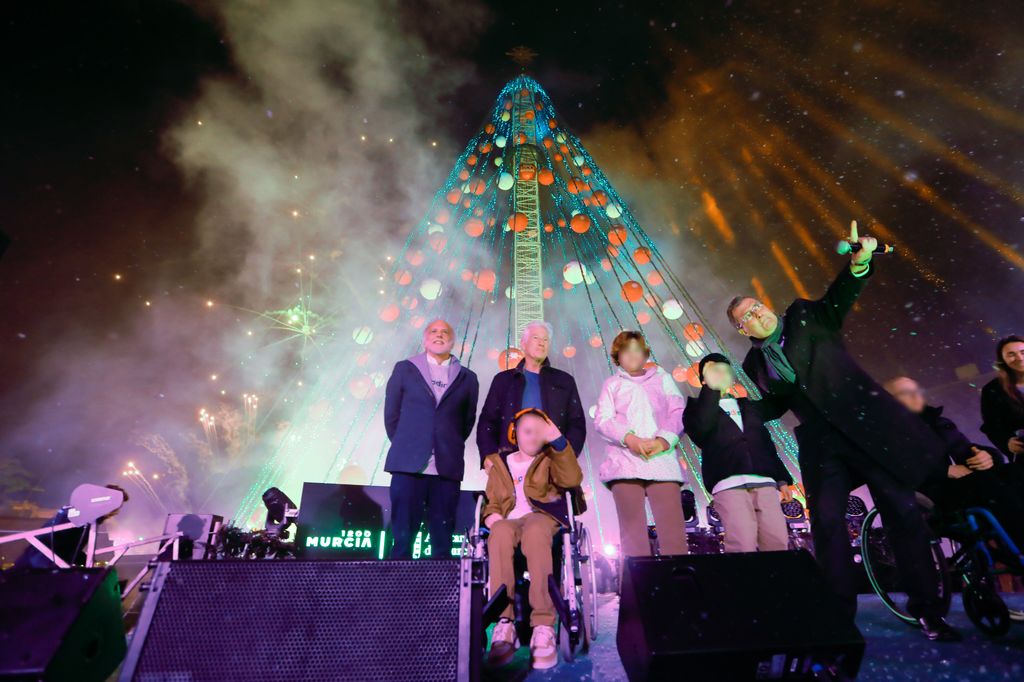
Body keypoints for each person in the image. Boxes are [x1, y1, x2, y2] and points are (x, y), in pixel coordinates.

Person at [729, 221, 958, 641]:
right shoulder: (753, 363)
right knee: (828, 526)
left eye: (757, 306)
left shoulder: (804, 316)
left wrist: (859, 262)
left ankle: (928, 610)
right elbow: (778, 404)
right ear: (743, 330)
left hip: (865, 430)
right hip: (822, 445)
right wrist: (736, 407)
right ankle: (838, 617)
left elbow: (839, 297)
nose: (757, 314)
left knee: (902, 515)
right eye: (747, 316)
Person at [483, 409, 582, 670]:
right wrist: (491, 516)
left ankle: (543, 624)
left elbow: (572, 479)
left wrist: (558, 442)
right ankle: (504, 623)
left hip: (543, 516)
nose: (533, 437)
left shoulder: (550, 458)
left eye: (539, 432)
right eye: (527, 431)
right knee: (499, 532)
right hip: (510, 519)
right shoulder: (499, 463)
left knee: (536, 530)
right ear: (514, 433)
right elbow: (492, 501)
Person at [885, 376, 1024, 550]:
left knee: (1014, 472)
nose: (915, 395)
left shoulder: (939, 422)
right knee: (987, 484)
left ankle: (1011, 545)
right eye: (905, 392)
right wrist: (945, 470)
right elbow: (896, 464)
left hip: (969, 483)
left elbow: (967, 449)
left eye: (916, 390)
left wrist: (988, 456)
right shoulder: (888, 432)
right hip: (934, 494)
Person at [383, 319, 479, 559]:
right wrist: (410, 443)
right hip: (408, 467)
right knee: (402, 541)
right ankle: (398, 580)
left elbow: (467, 421)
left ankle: (440, 584)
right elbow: (391, 415)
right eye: (434, 331)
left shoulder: (467, 378)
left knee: (442, 543)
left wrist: (446, 443)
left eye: (445, 332)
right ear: (425, 339)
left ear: (452, 341)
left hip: (446, 469)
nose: (439, 335)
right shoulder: (405, 369)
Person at [683, 353, 793, 553]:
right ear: (703, 379)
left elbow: (765, 442)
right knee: (742, 541)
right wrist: (711, 391)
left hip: (765, 481)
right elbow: (701, 430)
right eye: (714, 370)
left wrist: (782, 479)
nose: (721, 374)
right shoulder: (695, 408)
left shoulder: (750, 407)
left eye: (725, 370)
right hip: (728, 483)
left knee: (777, 540)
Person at [594, 331, 688, 557]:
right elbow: (602, 420)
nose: (632, 355)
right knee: (632, 535)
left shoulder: (663, 378)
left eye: (637, 349)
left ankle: (679, 578)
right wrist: (631, 439)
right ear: (618, 356)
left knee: (673, 533)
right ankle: (638, 578)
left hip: (662, 460)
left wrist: (662, 441)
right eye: (626, 350)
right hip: (624, 462)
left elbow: (678, 412)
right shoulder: (612, 384)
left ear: (645, 354)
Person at [477, 321, 586, 469]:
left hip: (552, 464)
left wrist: (567, 457)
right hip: (508, 463)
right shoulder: (503, 380)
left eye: (545, 340)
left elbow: (576, 424)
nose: (541, 343)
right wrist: (488, 455)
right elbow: (488, 422)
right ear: (523, 343)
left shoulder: (564, 381)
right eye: (536, 338)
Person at [12, 484, 128, 570]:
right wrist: (88, 564)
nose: (116, 511)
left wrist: (89, 563)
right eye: (116, 506)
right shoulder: (80, 515)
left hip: (41, 558)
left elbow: (69, 546)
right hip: (40, 560)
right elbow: (63, 544)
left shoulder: (84, 515)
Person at [980, 335, 1024, 465]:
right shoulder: (992, 390)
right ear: (1002, 360)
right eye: (1011, 354)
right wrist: (1007, 442)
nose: (1019, 358)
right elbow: (992, 427)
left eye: (1023, 352)